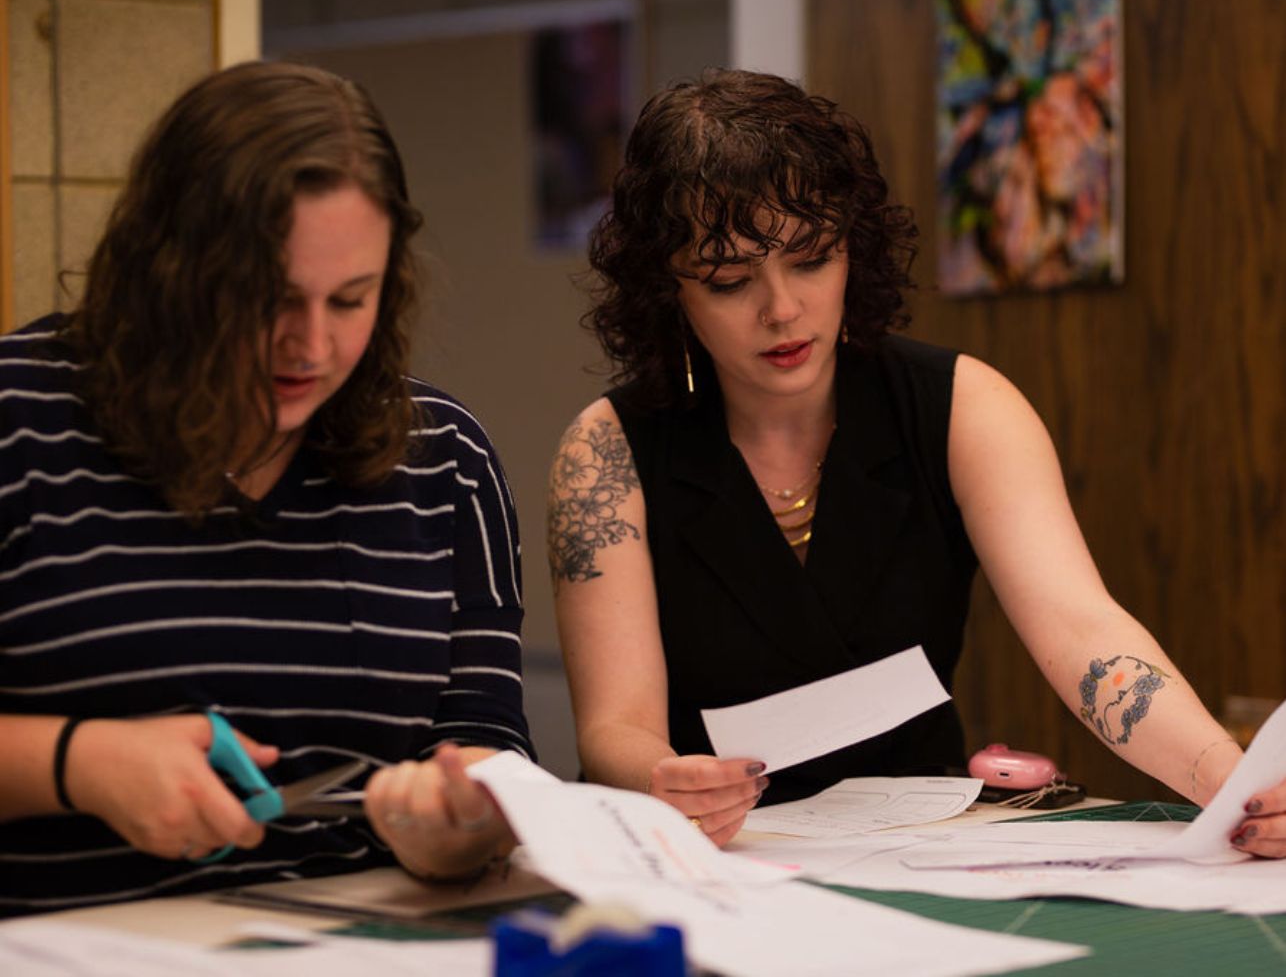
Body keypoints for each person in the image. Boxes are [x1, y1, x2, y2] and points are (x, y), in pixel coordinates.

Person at [547, 69, 1284, 855]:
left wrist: (1232, 784)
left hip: (927, 848)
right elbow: (614, 725)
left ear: (853, 250)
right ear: (669, 290)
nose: (782, 309)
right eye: (730, 279)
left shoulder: (963, 406)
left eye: (811, 258)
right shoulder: (605, 454)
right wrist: (669, 783)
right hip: (708, 860)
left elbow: (1081, 631)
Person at [0, 61, 532, 917]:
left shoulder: (445, 461)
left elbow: (485, 746)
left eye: (351, 300)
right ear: (167, 268)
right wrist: (77, 763)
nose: (311, 346)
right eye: (269, 299)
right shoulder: (17, 418)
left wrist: (463, 822)